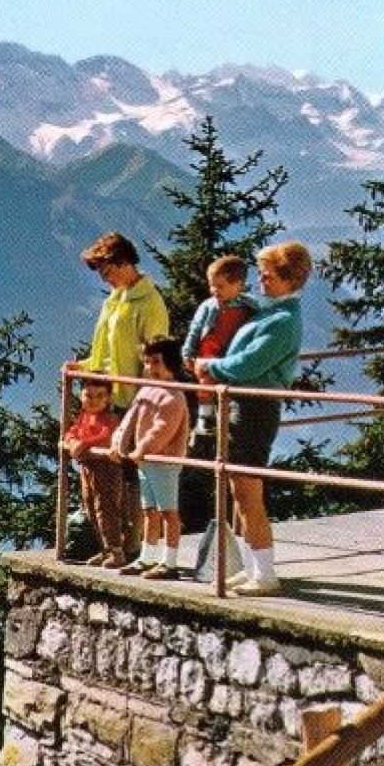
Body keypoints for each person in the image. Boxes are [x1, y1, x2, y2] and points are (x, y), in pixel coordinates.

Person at [193, 241, 312, 598]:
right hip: (241, 405)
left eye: (268, 274)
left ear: (288, 279)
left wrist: (208, 366)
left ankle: (265, 573)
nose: (259, 278)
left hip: (256, 409)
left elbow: (248, 364)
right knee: (239, 490)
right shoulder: (268, 311)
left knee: (248, 491)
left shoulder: (283, 321)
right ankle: (252, 569)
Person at [65, 232, 170, 556]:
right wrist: (82, 366)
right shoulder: (115, 300)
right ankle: (113, 545)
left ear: (124, 262)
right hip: (109, 400)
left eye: (108, 271)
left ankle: (134, 543)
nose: (105, 278)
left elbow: (155, 355)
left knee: (129, 473)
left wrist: (145, 399)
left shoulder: (149, 302)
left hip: (135, 400)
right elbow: (106, 352)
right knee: (107, 473)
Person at [180, 256, 260, 545]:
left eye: (221, 286)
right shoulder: (208, 308)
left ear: (238, 284)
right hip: (212, 353)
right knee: (206, 384)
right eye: (212, 286)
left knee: (225, 389)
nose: (215, 291)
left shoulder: (250, 307)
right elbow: (194, 330)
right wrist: (188, 352)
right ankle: (204, 420)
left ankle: (219, 419)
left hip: (233, 358)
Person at [113, 338, 192, 579]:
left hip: (164, 462)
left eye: (156, 362)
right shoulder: (146, 390)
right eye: (147, 362)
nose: (150, 367)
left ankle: (170, 562)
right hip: (146, 461)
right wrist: (119, 442)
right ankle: (147, 557)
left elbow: (161, 430)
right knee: (149, 510)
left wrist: (141, 449)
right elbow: (129, 420)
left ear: (171, 362)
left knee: (168, 511)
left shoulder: (173, 396)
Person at [61, 379, 126, 568]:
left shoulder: (111, 418)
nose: (93, 400)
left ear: (109, 398)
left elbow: (106, 436)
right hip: (88, 467)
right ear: (81, 396)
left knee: (105, 508)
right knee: (90, 507)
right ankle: (105, 549)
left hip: (105, 468)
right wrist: (72, 440)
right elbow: (73, 431)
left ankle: (116, 550)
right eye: (88, 395)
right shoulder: (84, 416)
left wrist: (84, 443)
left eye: (100, 396)